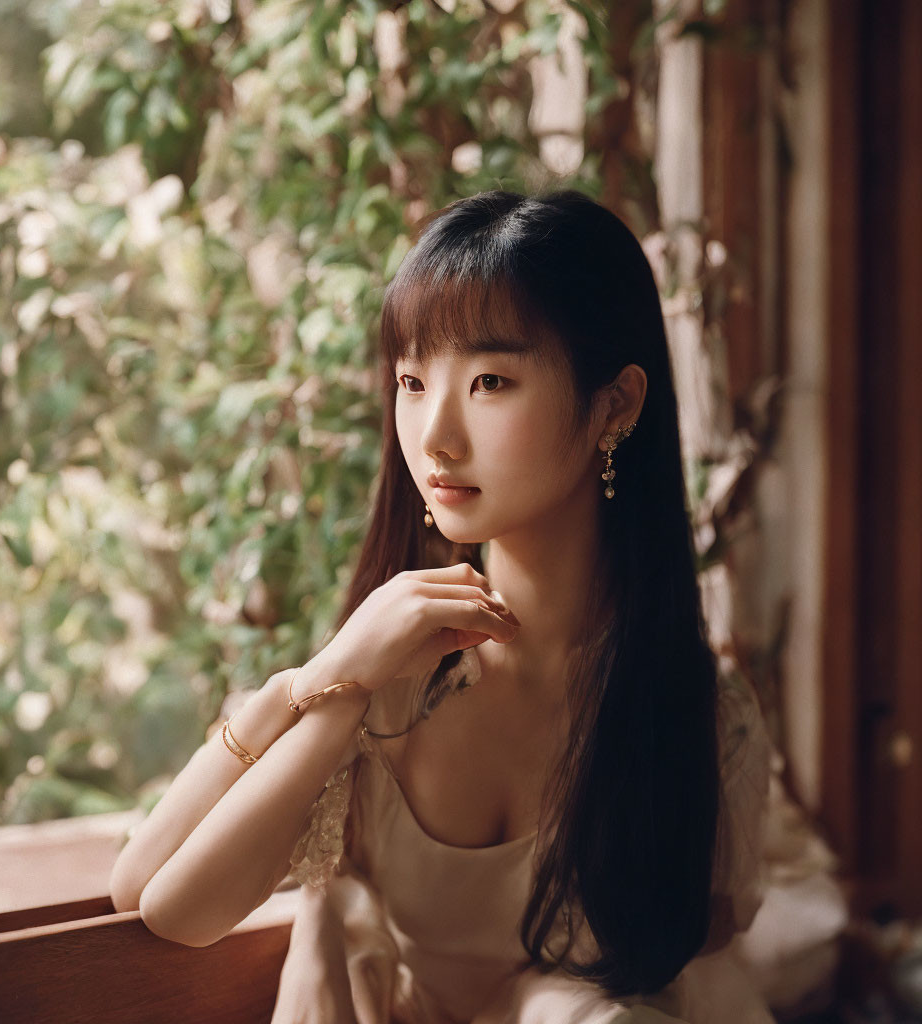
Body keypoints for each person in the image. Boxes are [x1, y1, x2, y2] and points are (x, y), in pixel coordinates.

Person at [109, 189, 773, 1023]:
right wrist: (323, 678)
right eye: (413, 381)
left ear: (617, 405)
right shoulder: (394, 667)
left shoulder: (698, 715)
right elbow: (158, 899)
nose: (433, 436)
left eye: (491, 380)